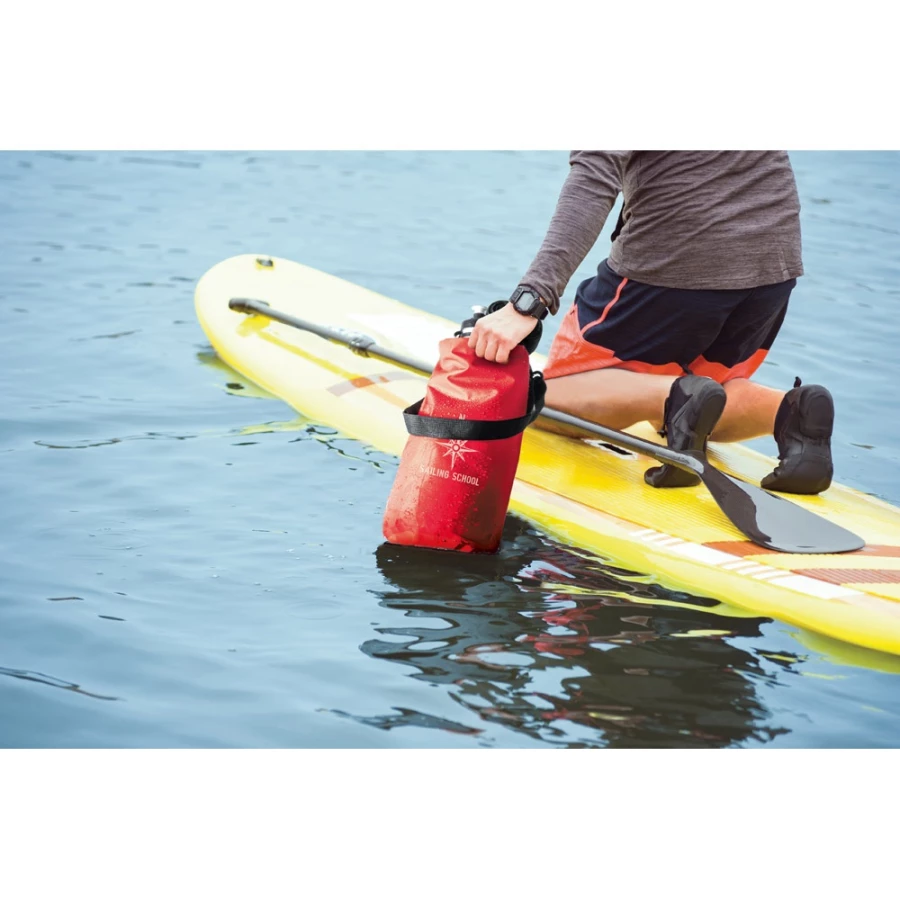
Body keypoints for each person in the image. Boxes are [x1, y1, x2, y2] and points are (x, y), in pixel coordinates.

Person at [467, 151, 834, 494]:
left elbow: (594, 176)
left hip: (678, 261)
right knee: (704, 392)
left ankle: (673, 397)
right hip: (772, 267)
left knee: (547, 400)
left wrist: (527, 303)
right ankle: (791, 412)